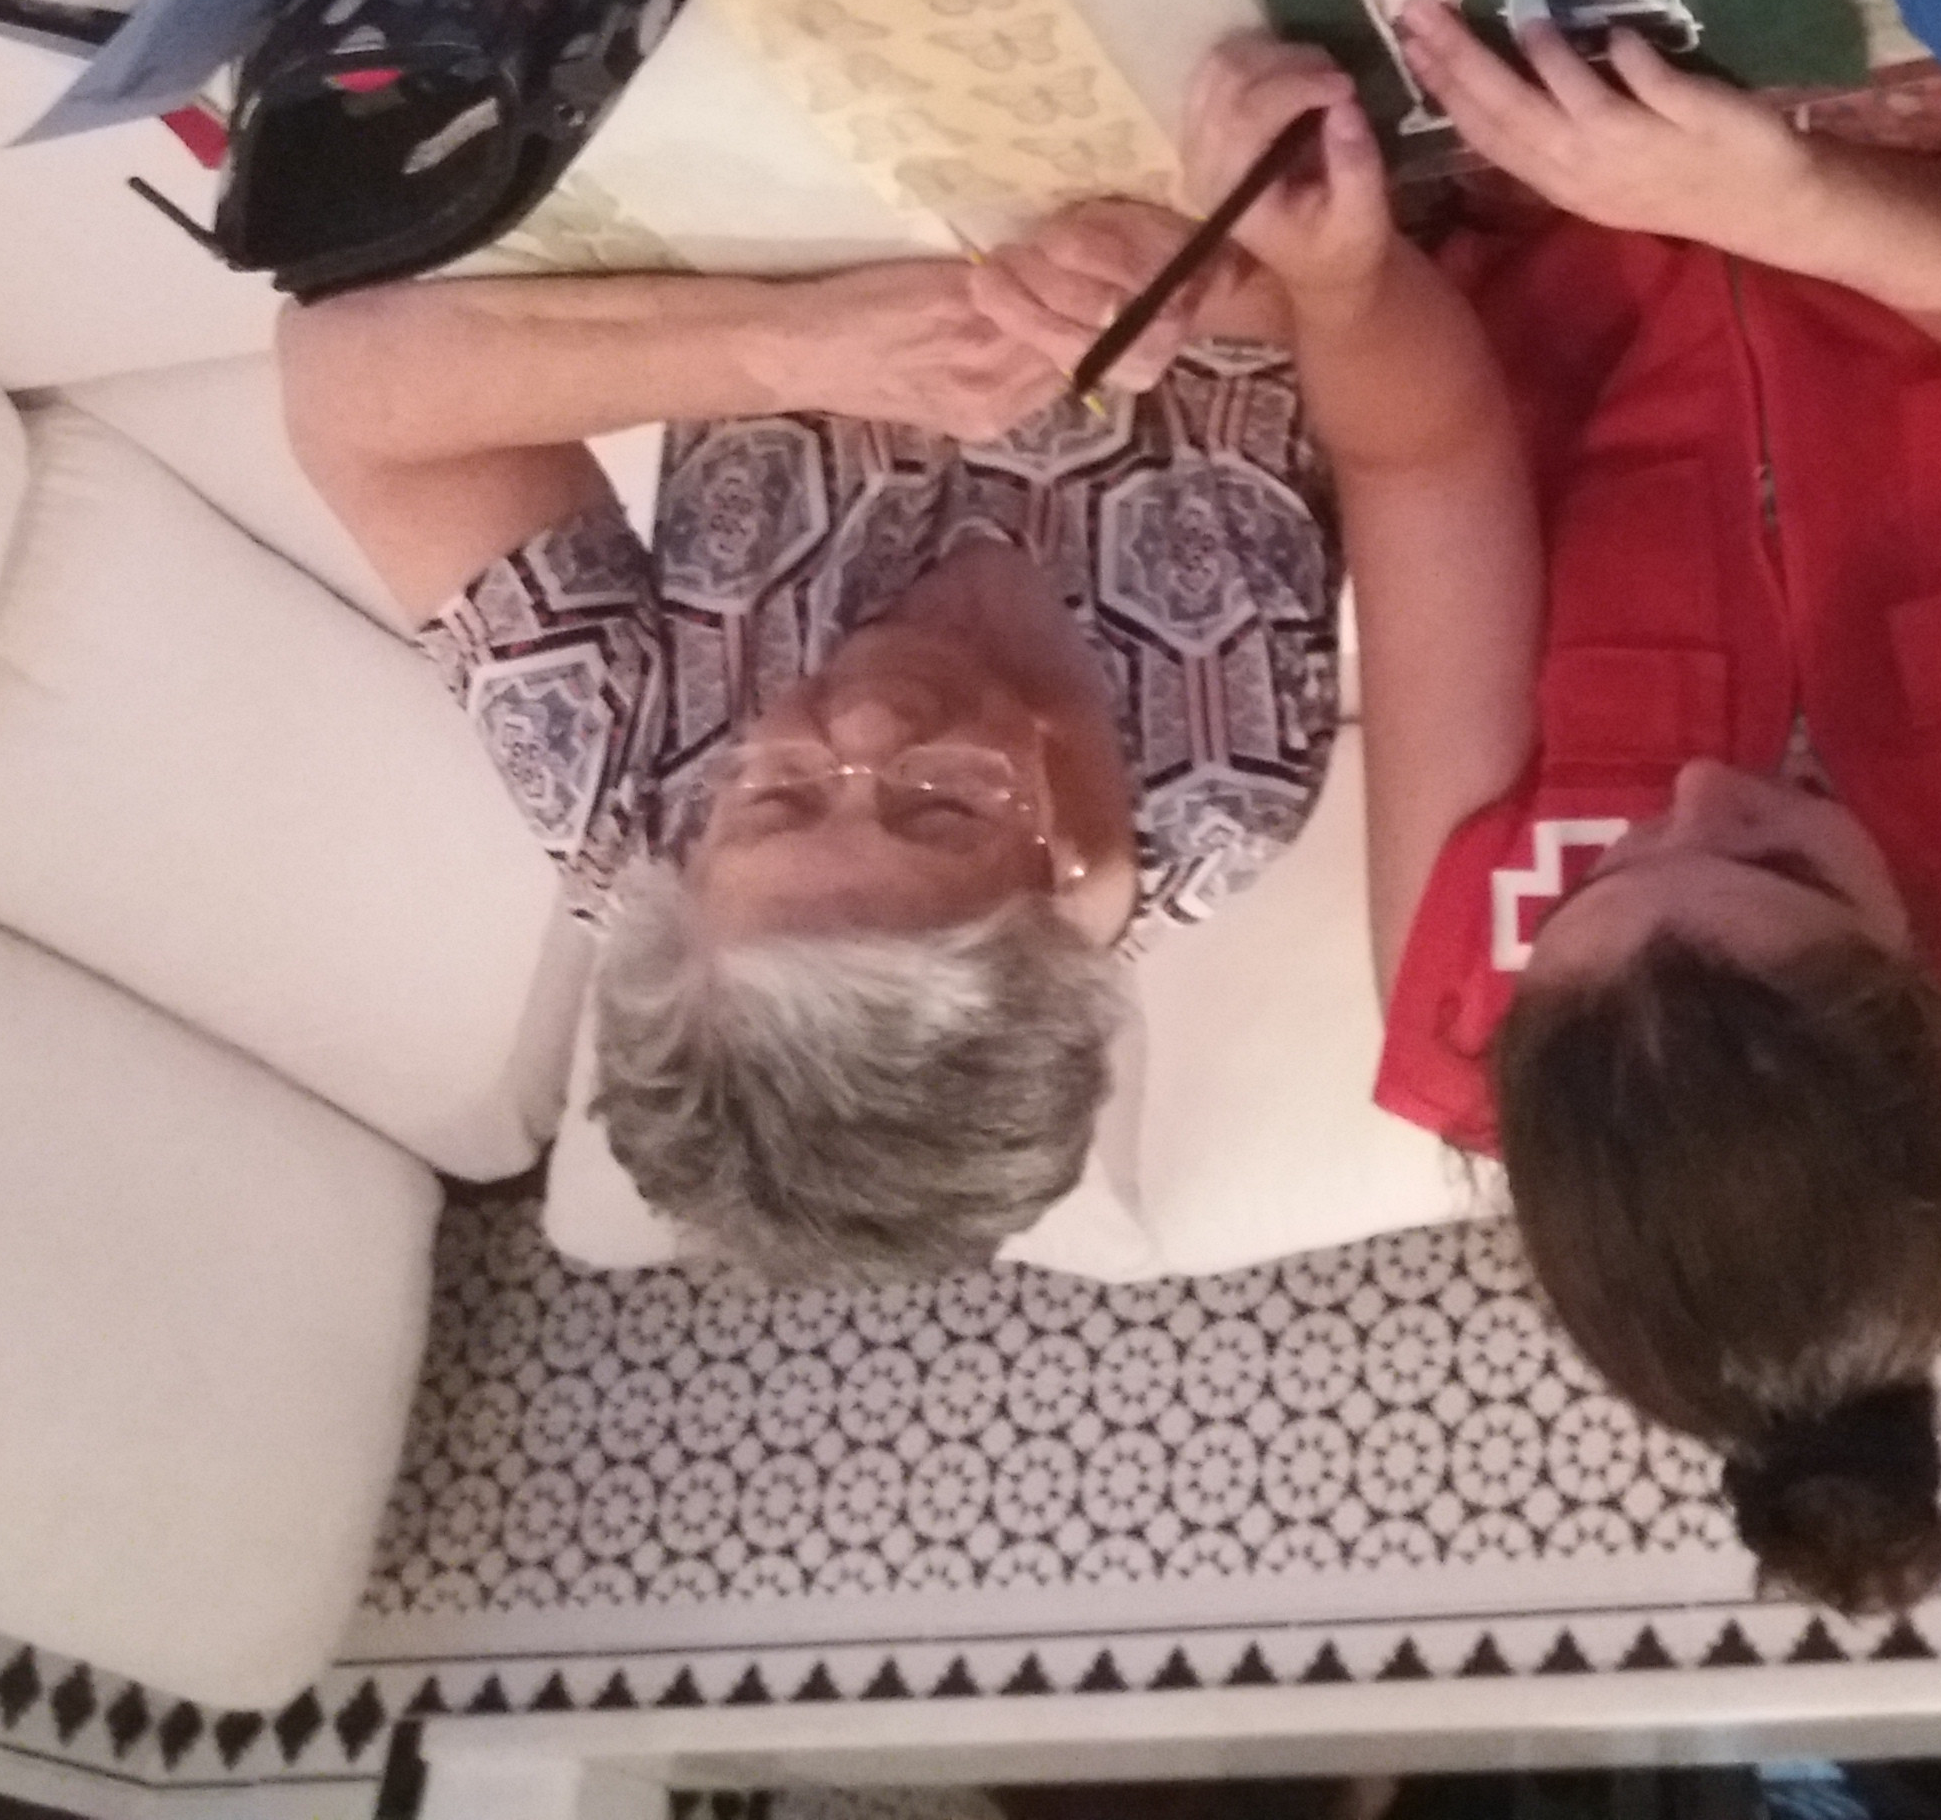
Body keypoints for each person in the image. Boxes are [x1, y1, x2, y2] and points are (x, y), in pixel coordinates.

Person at [1191, 4, 1941, 1615]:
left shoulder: (1464, 1012)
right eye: (1781, 853)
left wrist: (1348, 289)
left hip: (1538, 185)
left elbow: (1427, 466)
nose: (1696, 789)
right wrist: (1782, 195)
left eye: (1608, 872)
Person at [281, 64, 1345, 1280]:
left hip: (772, 110)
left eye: (777, 795)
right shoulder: (1227, 778)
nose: (870, 723)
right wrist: (1180, 270)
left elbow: (340, 381)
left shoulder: (641, 830)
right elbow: (1351, 325)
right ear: (1057, 884)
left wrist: (787, 350)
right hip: (1161, 109)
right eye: (941, 810)